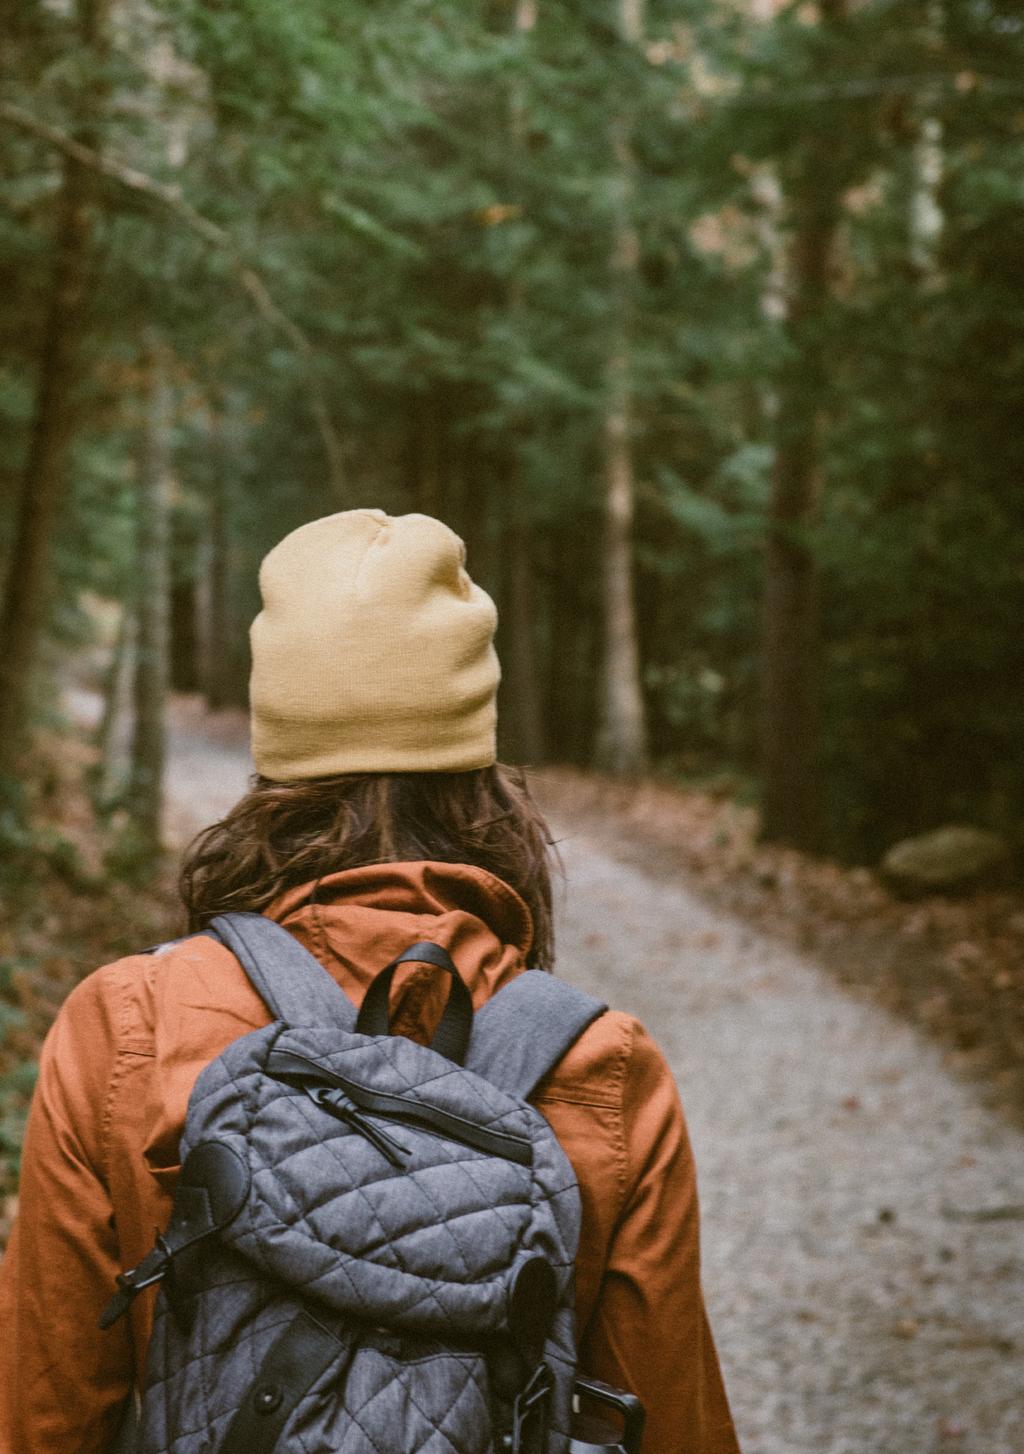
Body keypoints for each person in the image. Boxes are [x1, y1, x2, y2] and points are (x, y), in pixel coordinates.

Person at [0, 508, 740, 1454]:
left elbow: (44, 1416)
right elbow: (669, 1427)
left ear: (273, 760)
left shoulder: (127, 1025)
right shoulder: (605, 1067)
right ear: (480, 768)